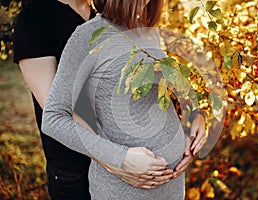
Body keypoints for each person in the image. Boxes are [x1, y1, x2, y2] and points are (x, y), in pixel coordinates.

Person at [14, 0, 200, 199]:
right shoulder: (39, 20)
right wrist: (117, 161)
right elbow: (56, 112)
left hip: (162, 183)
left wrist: (192, 119)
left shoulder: (133, 25)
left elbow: (152, 95)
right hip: (77, 168)